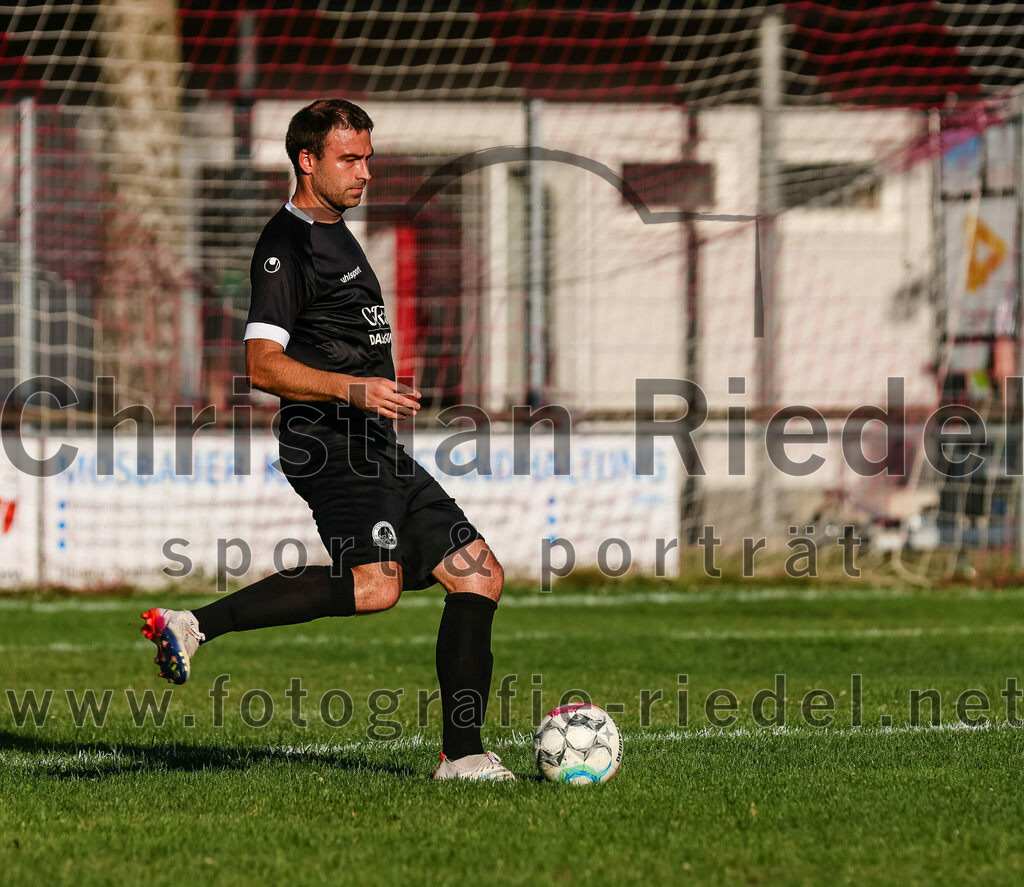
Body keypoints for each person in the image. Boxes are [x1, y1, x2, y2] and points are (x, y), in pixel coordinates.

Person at [140, 98, 513, 782]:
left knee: (478, 573)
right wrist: (353, 388)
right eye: (350, 159)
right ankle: (192, 624)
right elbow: (261, 365)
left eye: (368, 158)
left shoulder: (337, 231)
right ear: (307, 161)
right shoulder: (286, 245)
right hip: (328, 440)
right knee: (375, 586)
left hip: (373, 442)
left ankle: (462, 757)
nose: (365, 172)